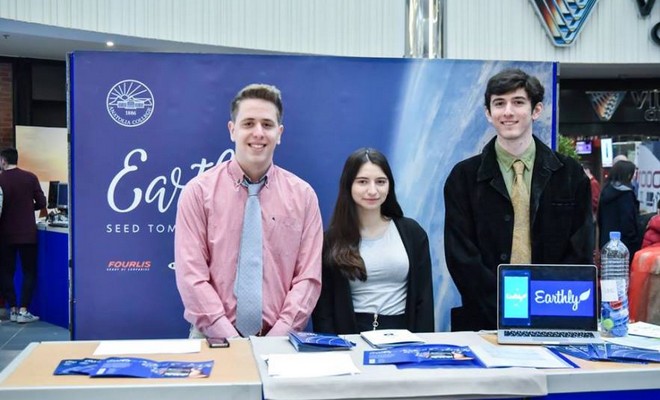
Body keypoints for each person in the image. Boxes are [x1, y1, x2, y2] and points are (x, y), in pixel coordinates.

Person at [443, 69, 594, 332]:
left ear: (536, 110)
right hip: (484, 320)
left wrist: (543, 303)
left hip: (554, 313)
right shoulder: (463, 177)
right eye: (499, 103)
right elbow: (461, 256)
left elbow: (580, 249)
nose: (508, 112)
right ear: (488, 113)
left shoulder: (569, 175)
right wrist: (506, 307)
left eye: (518, 102)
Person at [175, 83, 323, 339]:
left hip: (282, 339)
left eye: (267, 124)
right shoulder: (197, 193)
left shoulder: (304, 196)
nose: (258, 133)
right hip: (212, 337)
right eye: (248, 123)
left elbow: (307, 277)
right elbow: (191, 276)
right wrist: (231, 340)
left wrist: (277, 337)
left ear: (279, 133)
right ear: (232, 130)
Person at [312, 148, 434, 334]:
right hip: (350, 338)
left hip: (403, 337)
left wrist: (422, 344)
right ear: (348, 185)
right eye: (362, 182)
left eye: (380, 182)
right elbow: (324, 311)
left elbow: (424, 300)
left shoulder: (412, 233)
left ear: (389, 185)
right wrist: (333, 347)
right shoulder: (331, 241)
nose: (372, 190)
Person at [0, 148, 47, 323]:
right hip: (27, 233)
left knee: (6, 271)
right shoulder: (30, 177)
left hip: (5, 234)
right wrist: (27, 208)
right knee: (29, 271)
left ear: (3, 160)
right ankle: (23, 311)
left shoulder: (1, 179)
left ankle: (12, 308)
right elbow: (42, 202)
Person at [598, 159, 640, 257]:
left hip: (606, 242)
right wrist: (634, 240)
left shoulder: (605, 190)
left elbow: (600, 219)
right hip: (624, 245)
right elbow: (628, 221)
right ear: (628, 175)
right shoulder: (626, 194)